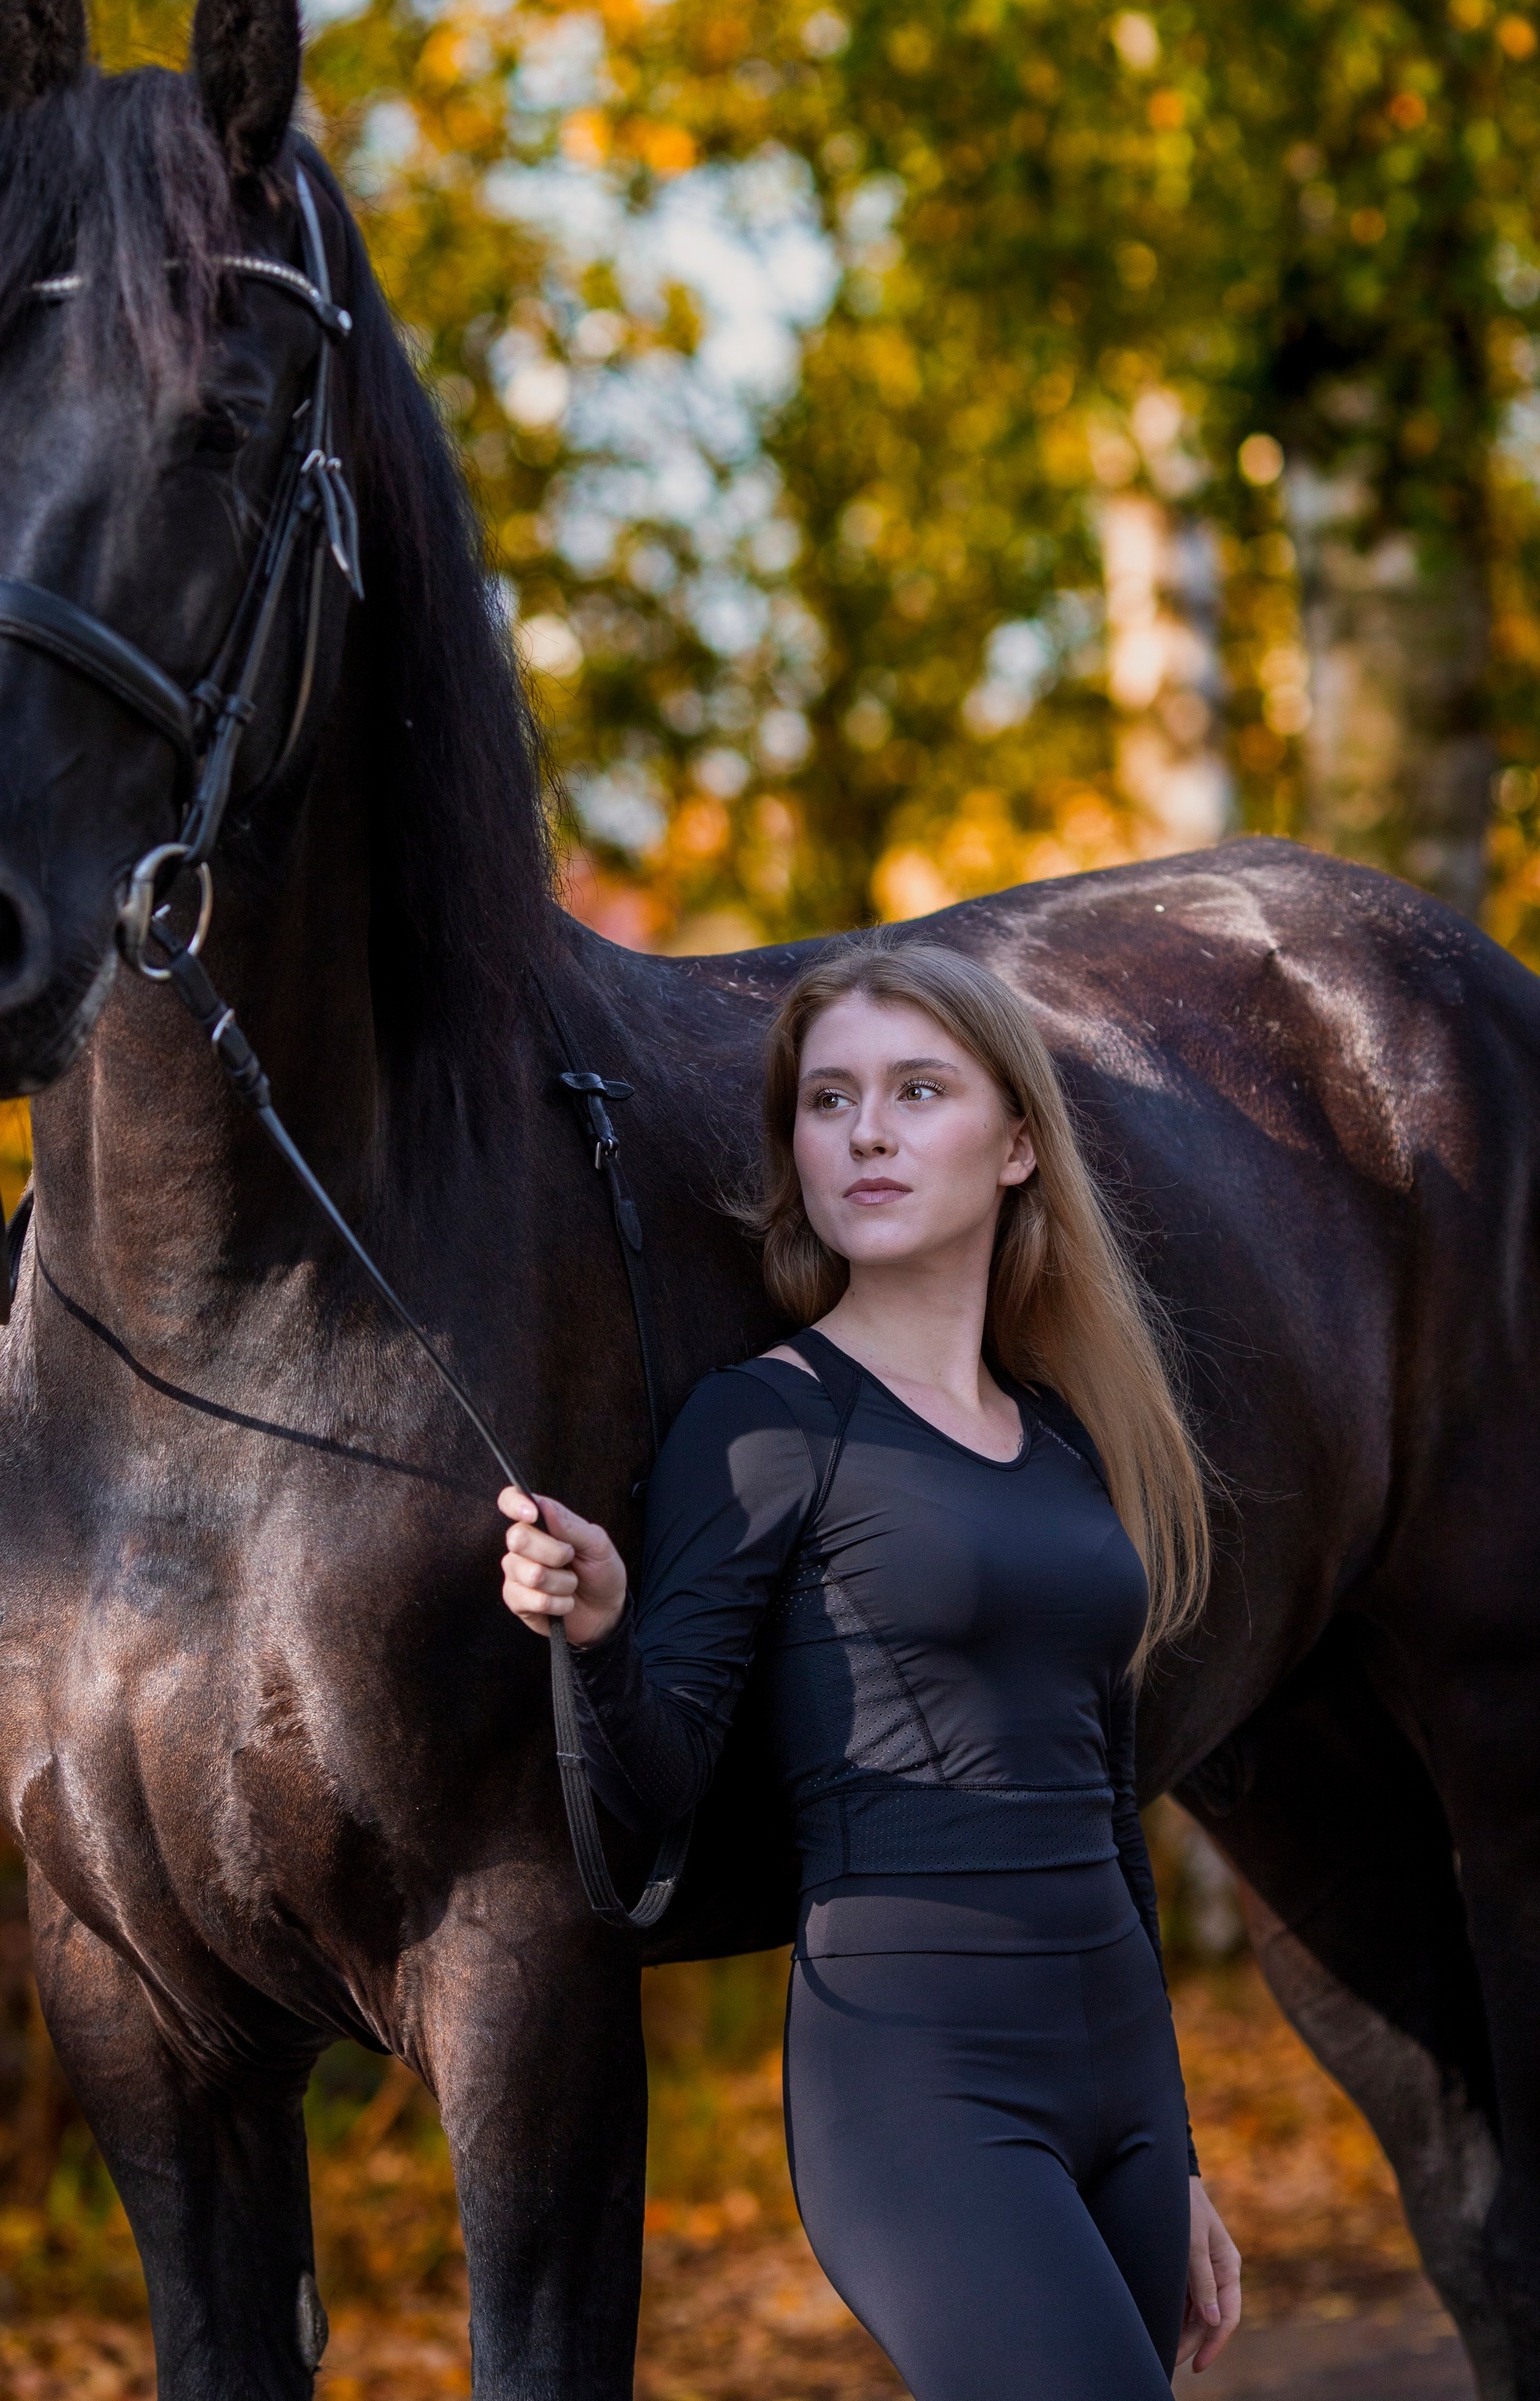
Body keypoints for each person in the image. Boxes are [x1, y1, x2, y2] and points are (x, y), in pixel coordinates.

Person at [499, 938, 1242, 2397]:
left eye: (915, 1091)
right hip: (920, 2082)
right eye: (827, 1102)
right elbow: (651, 1797)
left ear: (1017, 1143)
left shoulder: (1063, 1437)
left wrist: (1182, 2153)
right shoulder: (765, 1424)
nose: (868, 1133)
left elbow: (1104, 1805)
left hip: (1122, 2088)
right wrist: (592, 1633)